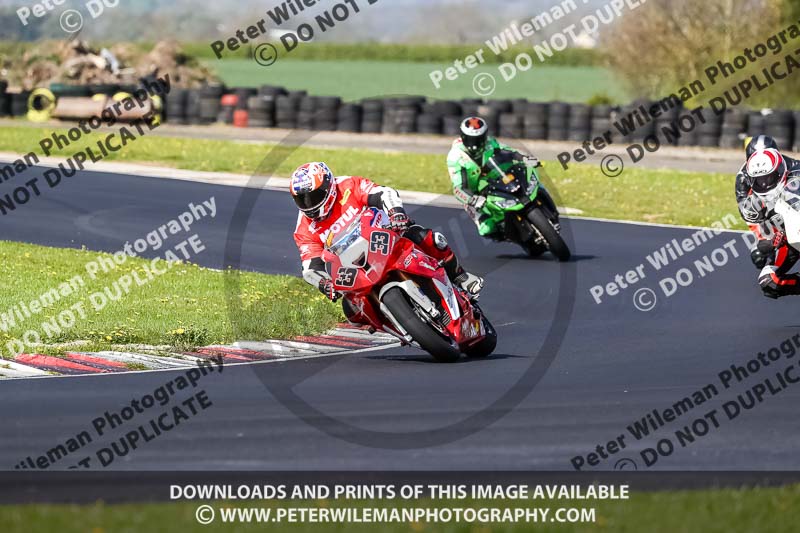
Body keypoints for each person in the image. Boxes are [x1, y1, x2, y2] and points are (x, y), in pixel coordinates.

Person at [290, 162, 484, 315]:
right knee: (352, 310)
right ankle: (397, 323)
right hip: (354, 265)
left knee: (429, 238)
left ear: (328, 187)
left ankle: (460, 276)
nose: (309, 204)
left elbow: (384, 193)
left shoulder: (348, 186)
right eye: (302, 199)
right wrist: (324, 283)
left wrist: (396, 213)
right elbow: (310, 266)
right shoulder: (304, 226)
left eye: (313, 196)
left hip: (387, 235)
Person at [446, 116, 558, 239]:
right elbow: (458, 189)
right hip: (474, 193)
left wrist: (524, 159)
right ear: (463, 137)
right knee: (486, 228)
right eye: (471, 140)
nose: (475, 144)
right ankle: (505, 231)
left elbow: (510, 152)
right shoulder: (456, 157)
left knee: (534, 183)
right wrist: (473, 200)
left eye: (479, 139)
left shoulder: (490, 143)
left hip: (496, 179)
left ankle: (550, 211)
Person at [735, 146, 800, 298]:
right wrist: (772, 241)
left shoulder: (796, 178)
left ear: (778, 172)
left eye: (768, 178)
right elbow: (762, 243)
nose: (763, 184)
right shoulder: (755, 205)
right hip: (788, 242)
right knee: (768, 280)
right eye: (759, 180)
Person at [736, 135, 782, 269]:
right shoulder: (743, 177)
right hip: (766, 215)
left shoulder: (784, 166)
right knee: (759, 257)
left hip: (789, 205)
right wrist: (766, 236)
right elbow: (745, 210)